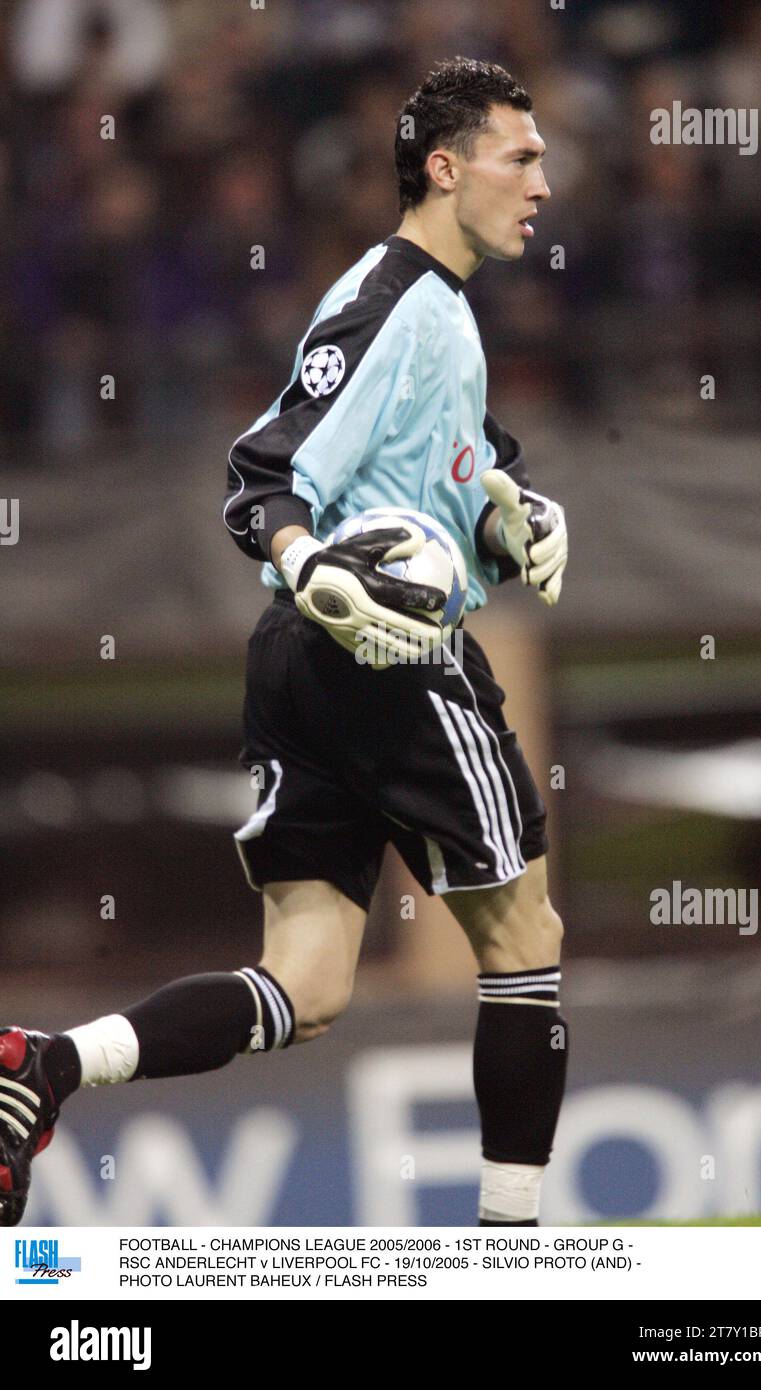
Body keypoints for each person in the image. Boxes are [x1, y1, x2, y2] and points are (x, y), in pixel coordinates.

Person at [1, 57, 569, 1229]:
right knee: (526, 934)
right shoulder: (398, 301)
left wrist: (512, 508)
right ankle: (516, 1246)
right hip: (389, 659)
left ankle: (44, 1064)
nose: (544, 183)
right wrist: (311, 558)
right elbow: (266, 470)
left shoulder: (434, 309)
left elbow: (444, 464)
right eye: (522, 156)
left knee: (306, 987)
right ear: (446, 167)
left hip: (299, 668)